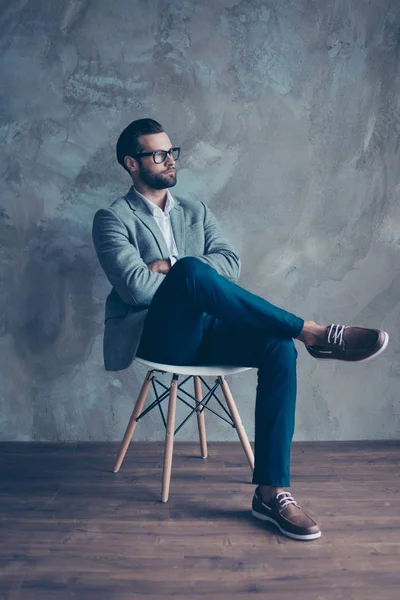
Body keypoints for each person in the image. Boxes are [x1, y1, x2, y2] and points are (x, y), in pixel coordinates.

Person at [92, 118, 389, 542]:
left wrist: (170, 268)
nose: (170, 160)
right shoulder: (111, 219)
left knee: (278, 349)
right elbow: (136, 288)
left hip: (211, 328)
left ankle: (272, 493)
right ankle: (315, 333)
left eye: (172, 151)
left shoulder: (195, 210)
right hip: (159, 336)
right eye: (158, 154)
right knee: (193, 269)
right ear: (131, 163)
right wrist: (185, 274)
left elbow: (230, 264)